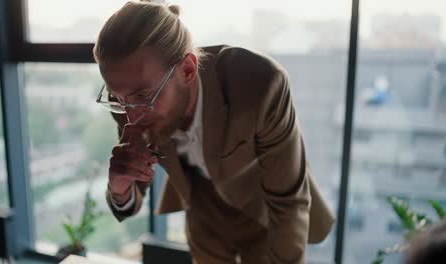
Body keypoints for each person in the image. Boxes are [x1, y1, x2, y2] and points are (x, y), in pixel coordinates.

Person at [93, 1, 335, 263]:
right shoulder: (129, 98)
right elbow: (134, 188)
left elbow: (288, 200)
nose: (132, 115)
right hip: (201, 209)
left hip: (264, 208)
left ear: (187, 69)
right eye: (118, 98)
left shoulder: (260, 84)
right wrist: (119, 188)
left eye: (143, 96)